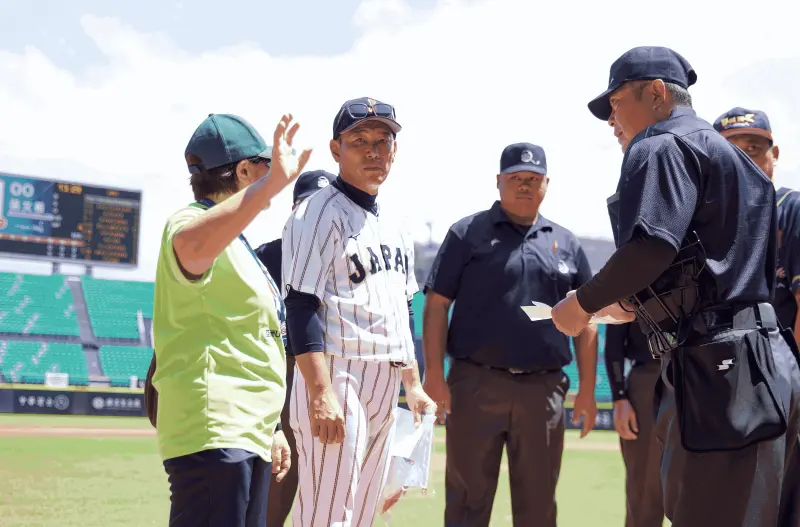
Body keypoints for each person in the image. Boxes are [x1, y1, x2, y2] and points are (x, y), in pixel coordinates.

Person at [551, 45, 800, 526]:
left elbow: (651, 247)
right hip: (768, 358)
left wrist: (581, 305)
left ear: (657, 93)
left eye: (617, 103)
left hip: (719, 369)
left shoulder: (660, 143)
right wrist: (633, 300)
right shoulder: (741, 164)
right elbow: (707, 259)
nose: (611, 120)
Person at [422, 142, 599, 527]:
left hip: (544, 390)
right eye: (516, 178)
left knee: (538, 507)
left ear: (547, 184)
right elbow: (437, 304)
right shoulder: (467, 234)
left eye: (532, 179)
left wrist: (586, 390)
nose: (524, 186)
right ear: (498, 182)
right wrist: (434, 375)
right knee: (467, 501)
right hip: (476, 385)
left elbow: (586, 320)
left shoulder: (566, 243)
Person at [281, 97, 436, 527]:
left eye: (383, 141)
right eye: (359, 141)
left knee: (362, 516)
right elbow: (300, 304)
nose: (373, 151)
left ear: (394, 150)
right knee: (327, 515)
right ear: (336, 150)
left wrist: (414, 384)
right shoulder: (315, 213)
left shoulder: (396, 223)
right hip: (338, 372)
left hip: (384, 376)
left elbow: (402, 308)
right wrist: (319, 391)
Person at [152, 112, 310, 526]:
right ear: (243, 171)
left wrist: (272, 428)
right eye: (264, 166)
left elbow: (251, 339)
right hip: (216, 432)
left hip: (246, 433)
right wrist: (270, 187)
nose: (272, 176)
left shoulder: (240, 247)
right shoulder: (187, 222)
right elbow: (190, 245)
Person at [254, 169, 335, 527]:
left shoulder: (344, 258)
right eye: (307, 206)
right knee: (273, 493)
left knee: (327, 497)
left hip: (331, 378)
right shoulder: (262, 257)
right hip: (279, 375)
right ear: (292, 209)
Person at [713, 108, 800, 347]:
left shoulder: (791, 208)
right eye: (730, 152)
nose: (743, 161)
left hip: (781, 373)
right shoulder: (704, 223)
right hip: (721, 372)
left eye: (753, 149)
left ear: (775, 154)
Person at [604, 322, 664, 527]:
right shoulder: (629, 289)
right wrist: (619, 396)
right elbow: (613, 343)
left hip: (699, 376)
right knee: (645, 489)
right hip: (648, 380)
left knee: (702, 484)